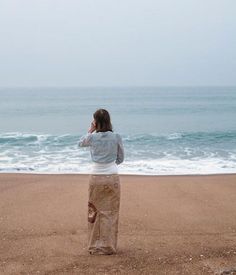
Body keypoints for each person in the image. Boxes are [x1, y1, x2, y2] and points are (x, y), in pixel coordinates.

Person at [78, 109, 124, 255]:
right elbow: (121, 158)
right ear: (109, 120)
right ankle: (109, 247)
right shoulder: (116, 137)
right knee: (111, 213)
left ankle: (94, 247)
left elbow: (80, 143)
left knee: (94, 212)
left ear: (95, 122)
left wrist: (90, 130)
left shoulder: (92, 138)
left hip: (96, 177)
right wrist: (110, 164)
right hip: (112, 177)